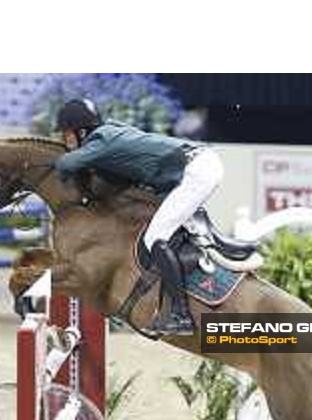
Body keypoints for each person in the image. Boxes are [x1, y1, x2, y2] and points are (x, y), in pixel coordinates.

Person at [54, 98, 224, 336]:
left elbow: (66, 163)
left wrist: (48, 159)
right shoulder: (110, 131)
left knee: (155, 238)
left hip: (196, 171)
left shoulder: (100, 141)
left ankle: (180, 314)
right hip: (200, 163)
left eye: (67, 135)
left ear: (81, 132)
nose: (66, 141)